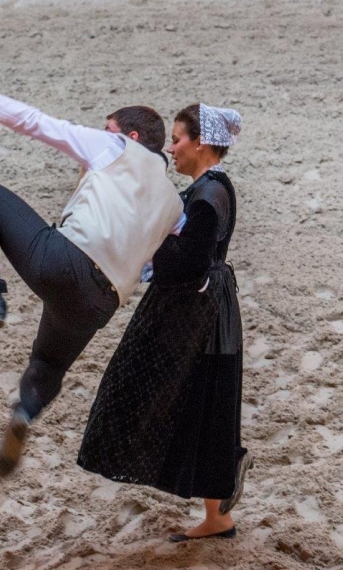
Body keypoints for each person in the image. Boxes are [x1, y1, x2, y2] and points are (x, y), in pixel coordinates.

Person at [0, 64, 184, 477]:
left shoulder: (113, 147)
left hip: (66, 263)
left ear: (129, 136)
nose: (102, 131)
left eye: (108, 126)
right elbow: (156, 266)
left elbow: (35, 122)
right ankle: (24, 413)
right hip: (102, 302)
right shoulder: (174, 204)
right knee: (47, 366)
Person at [77, 103, 249, 543]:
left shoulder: (209, 196)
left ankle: (223, 493)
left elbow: (190, 264)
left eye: (177, 139)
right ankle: (219, 507)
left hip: (196, 312)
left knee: (192, 398)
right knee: (204, 401)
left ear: (201, 143)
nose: (171, 148)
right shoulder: (208, 189)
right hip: (200, 308)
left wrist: (148, 247)